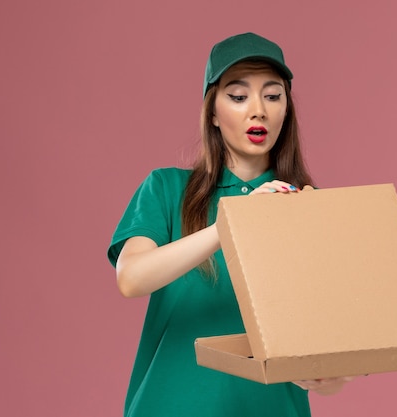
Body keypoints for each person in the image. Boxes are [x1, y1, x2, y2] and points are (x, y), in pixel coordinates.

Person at [107, 32, 354, 417]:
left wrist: (327, 377)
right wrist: (233, 223)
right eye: (238, 97)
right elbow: (131, 277)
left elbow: (331, 362)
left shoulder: (306, 204)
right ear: (212, 111)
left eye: (272, 96)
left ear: (286, 109)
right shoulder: (167, 189)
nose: (258, 110)